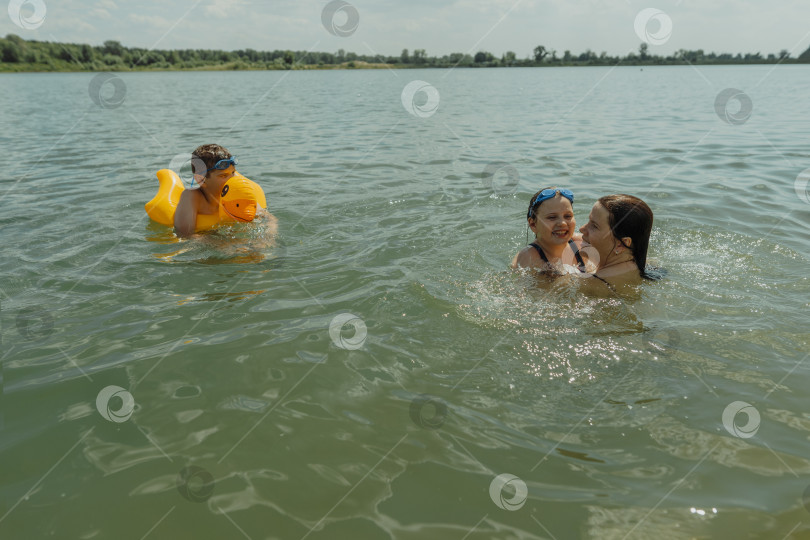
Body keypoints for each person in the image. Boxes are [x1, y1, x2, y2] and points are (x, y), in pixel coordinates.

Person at [174, 144, 277, 239]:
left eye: (232, 173)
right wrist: (224, 245)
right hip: (209, 242)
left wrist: (268, 237)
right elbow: (184, 234)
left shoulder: (237, 192)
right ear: (200, 179)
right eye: (223, 176)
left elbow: (270, 219)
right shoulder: (193, 196)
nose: (231, 179)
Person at [578, 194, 653, 289]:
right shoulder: (640, 264)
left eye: (594, 226)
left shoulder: (596, 284)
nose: (582, 229)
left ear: (621, 245)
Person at [511, 188, 589, 273]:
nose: (562, 223)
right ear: (533, 225)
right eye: (552, 217)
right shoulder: (529, 257)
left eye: (568, 216)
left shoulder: (581, 243)